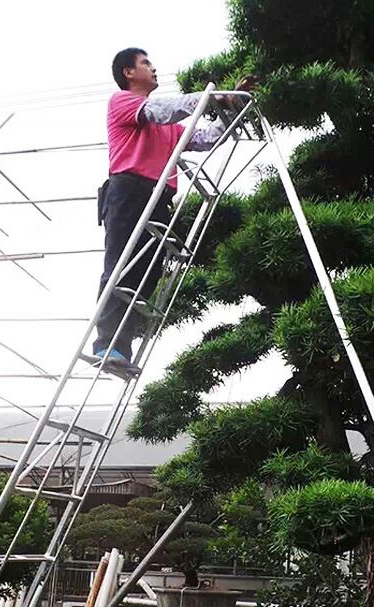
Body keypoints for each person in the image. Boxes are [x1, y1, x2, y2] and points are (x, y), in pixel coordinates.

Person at [93, 47, 256, 369]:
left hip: (158, 195)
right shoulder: (123, 102)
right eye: (145, 63)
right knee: (121, 264)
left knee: (148, 272)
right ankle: (106, 343)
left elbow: (206, 138)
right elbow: (164, 109)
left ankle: (121, 347)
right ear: (128, 72)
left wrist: (233, 107)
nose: (153, 68)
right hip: (128, 189)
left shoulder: (169, 126)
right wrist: (216, 99)